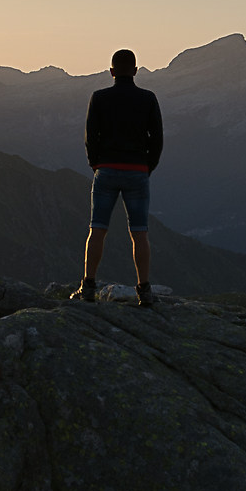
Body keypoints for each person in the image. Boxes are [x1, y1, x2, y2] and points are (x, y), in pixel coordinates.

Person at [75, 48, 163, 306]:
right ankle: (144, 291)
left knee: (97, 230)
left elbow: (91, 137)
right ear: (135, 71)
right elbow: (156, 139)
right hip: (137, 171)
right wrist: (147, 167)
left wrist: (96, 165)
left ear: (111, 71)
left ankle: (88, 287)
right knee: (140, 234)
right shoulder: (148, 99)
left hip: (106, 170)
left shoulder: (99, 98)